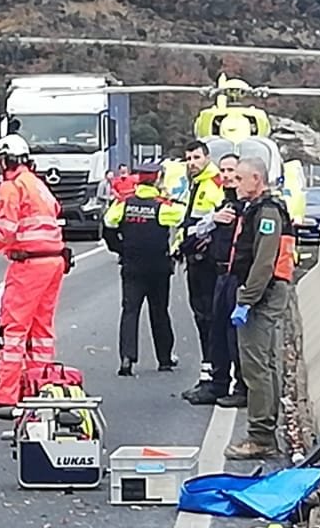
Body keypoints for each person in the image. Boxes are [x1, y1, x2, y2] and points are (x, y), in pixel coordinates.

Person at [0, 133, 68, 417]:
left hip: (29, 264)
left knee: (14, 330)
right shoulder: (38, 185)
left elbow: (5, 230)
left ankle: (7, 397)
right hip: (53, 261)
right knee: (42, 331)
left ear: (5, 160)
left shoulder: (11, 187)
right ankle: (39, 389)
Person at [224, 154, 297, 462]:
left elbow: (264, 262)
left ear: (257, 179)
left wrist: (246, 300)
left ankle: (260, 437)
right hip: (264, 293)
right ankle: (266, 429)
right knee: (265, 364)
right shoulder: (257, 210)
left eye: (240, 178)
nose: (234, 183)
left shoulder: (267, 213)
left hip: (263, 295)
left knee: (256, 366)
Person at [103, 162, 183, 375]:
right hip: (158, 267)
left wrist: (120, 249)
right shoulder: (163, 206)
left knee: (130, 311)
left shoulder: (124, 204)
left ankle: (127, 359)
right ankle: (164, 359)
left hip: (132, 265)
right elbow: (183, 218)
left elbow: (108, 224)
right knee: (160, 312)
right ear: (157, 179)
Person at [183, 150, 241, 405]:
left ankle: (235, 386)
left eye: (232, 171)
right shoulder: (221, 200)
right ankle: (215, 382)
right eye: (224, 170)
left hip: (234, 276)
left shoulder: (247, 205)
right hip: (212, 272)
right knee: (213, 330)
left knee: (233, 335)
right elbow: (193, 228)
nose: (227, 176)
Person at [174, 140, 227, 397]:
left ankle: (214, 379)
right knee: (201, 319)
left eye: (196, 157)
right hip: (195, 259)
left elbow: (212, 225)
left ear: (207, 158)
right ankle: (208, 375)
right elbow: (185, 223)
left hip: (207, 263)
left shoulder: (213, 184)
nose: (192, 162)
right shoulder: (193, 185)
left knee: (209, 320)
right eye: (188, 158)